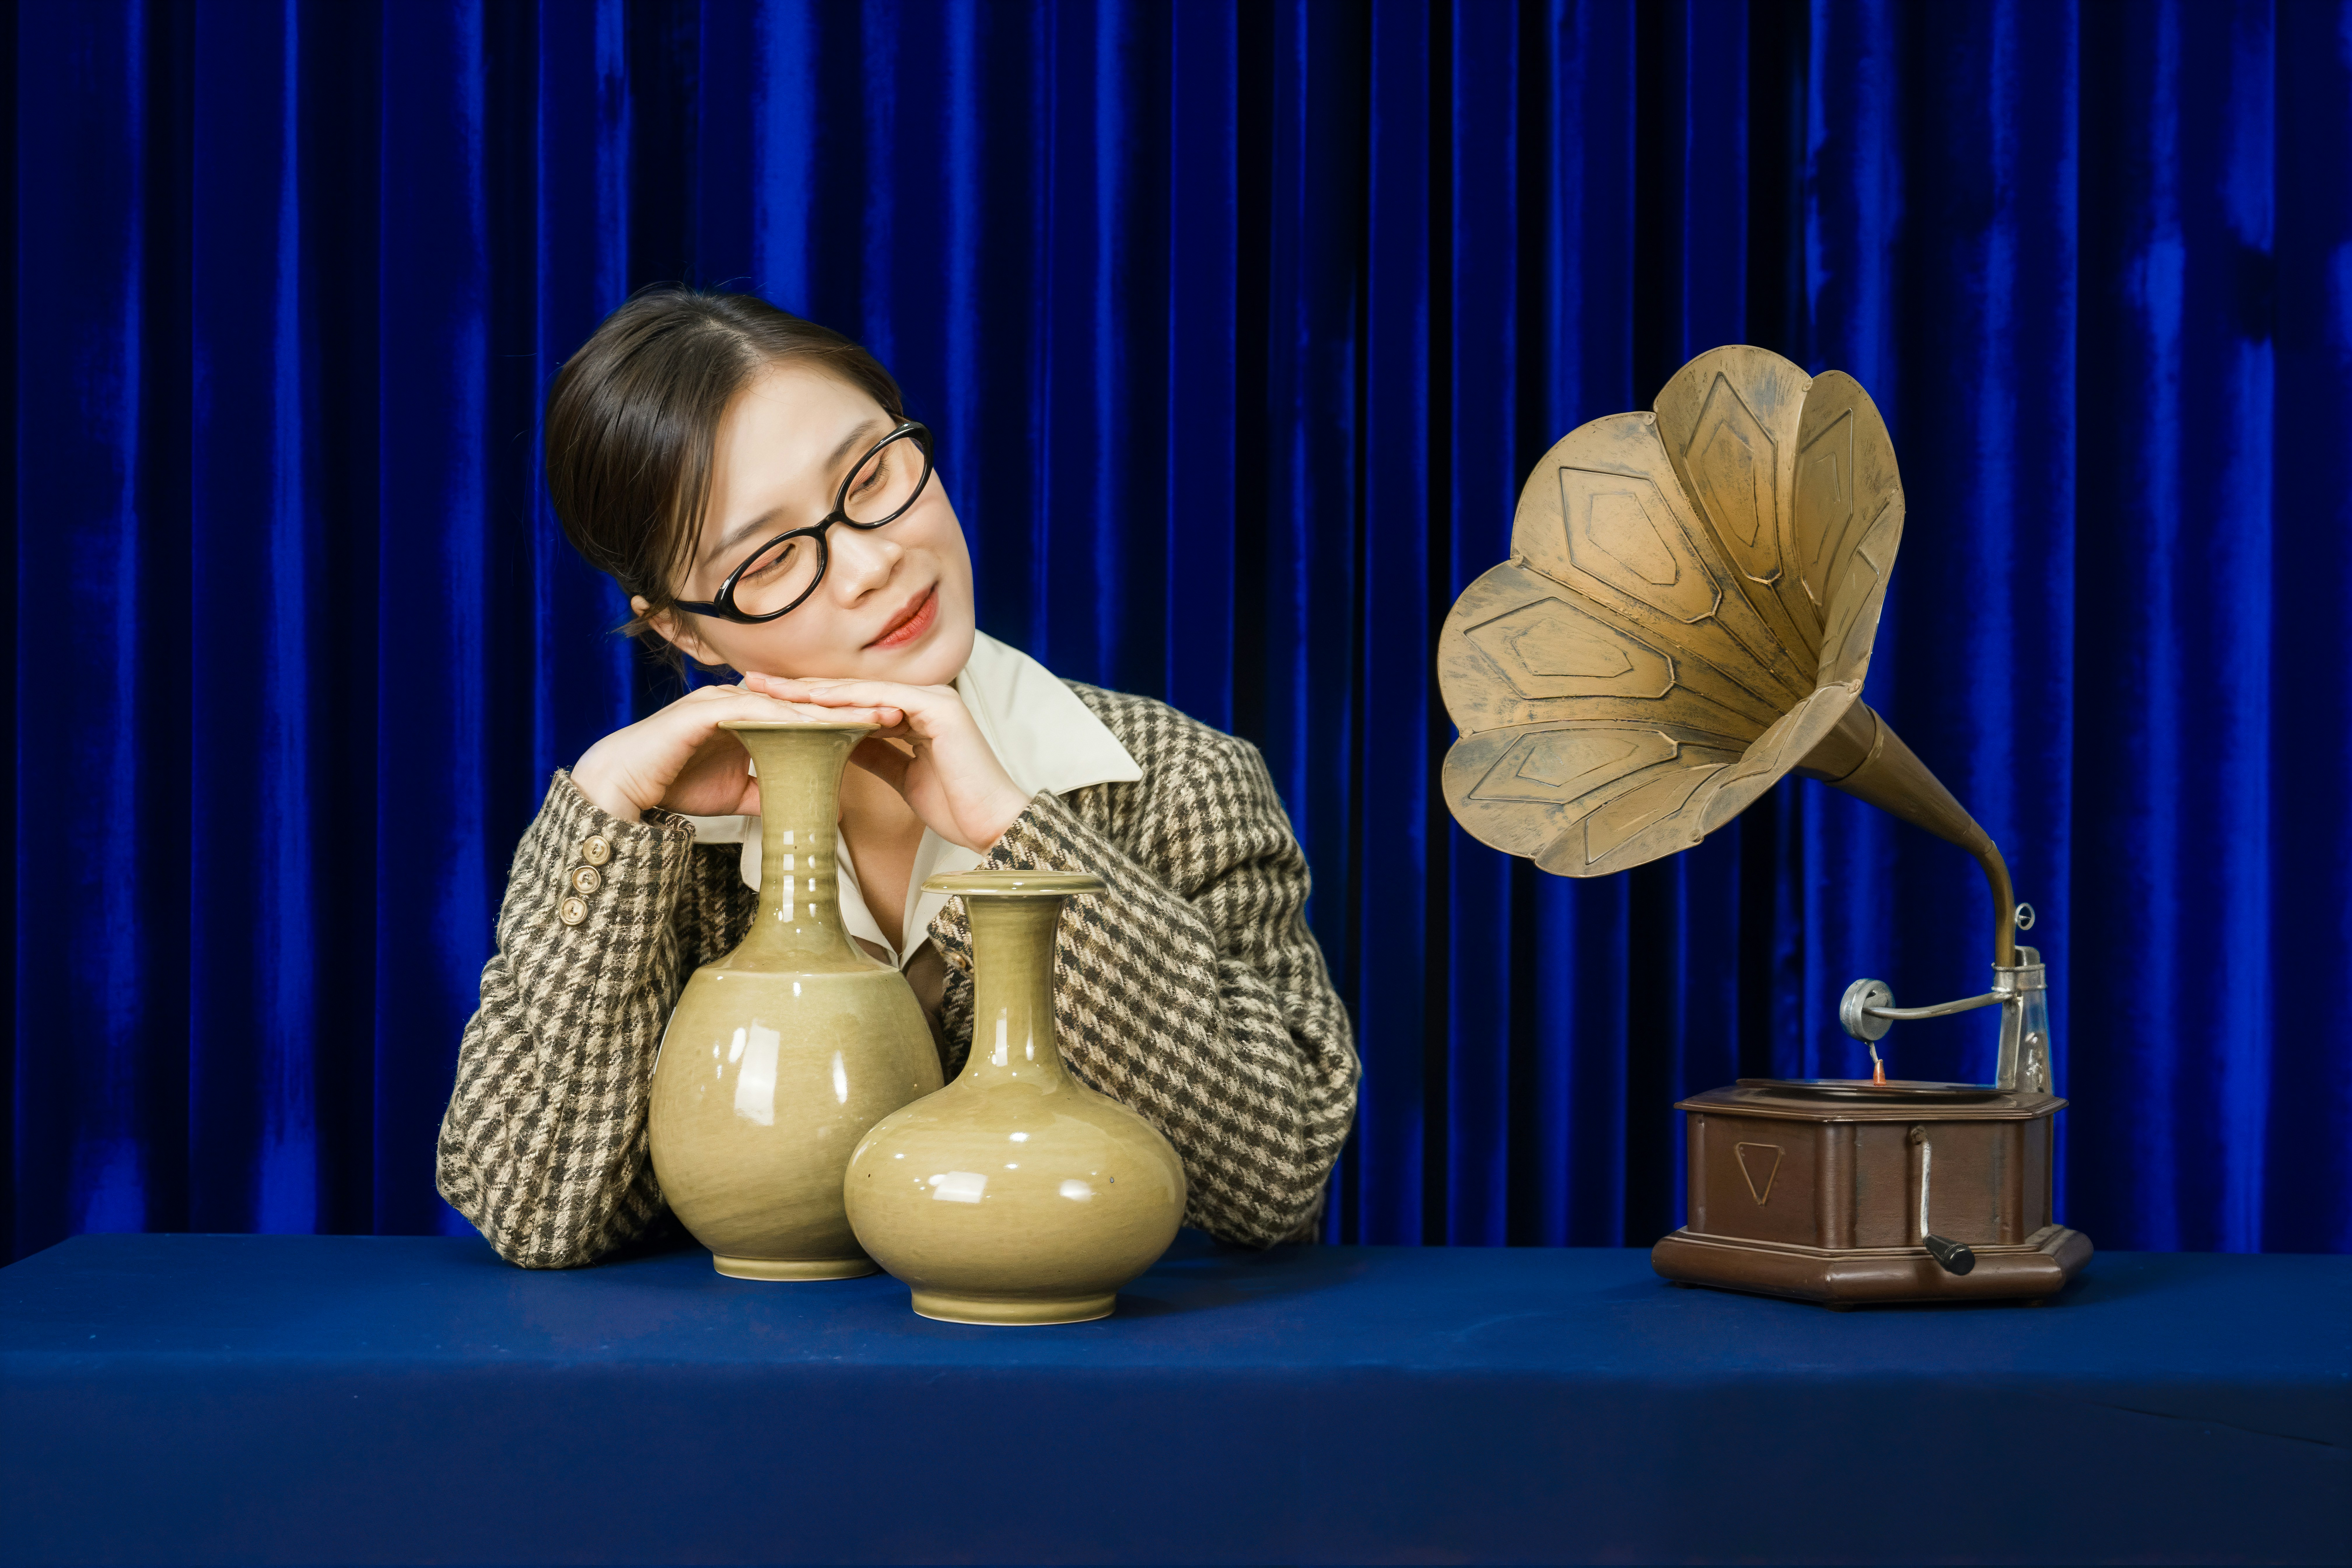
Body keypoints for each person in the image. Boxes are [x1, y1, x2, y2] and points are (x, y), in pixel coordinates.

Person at [436, 287, 1360, 1268]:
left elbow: (1281, 1172)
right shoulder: (655, 847)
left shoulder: (1178, 782)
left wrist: (1020, 837)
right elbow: (536, 1211)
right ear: (683, 628)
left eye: (872, 475)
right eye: (771, 557)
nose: (872, 564)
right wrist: (603, 816)